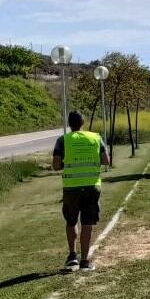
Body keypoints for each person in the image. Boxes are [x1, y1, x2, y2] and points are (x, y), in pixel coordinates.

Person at [52, 111, 110, 271]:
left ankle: (72, 256)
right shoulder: (96, 138)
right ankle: (85, 261)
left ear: (69, 124)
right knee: (87, 223)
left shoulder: (62, 140)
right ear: (83, 123)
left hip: (71, 187)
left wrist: (66, 164)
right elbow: (106, 160)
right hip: (92, 186)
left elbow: (56, 164)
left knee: (71, 221)